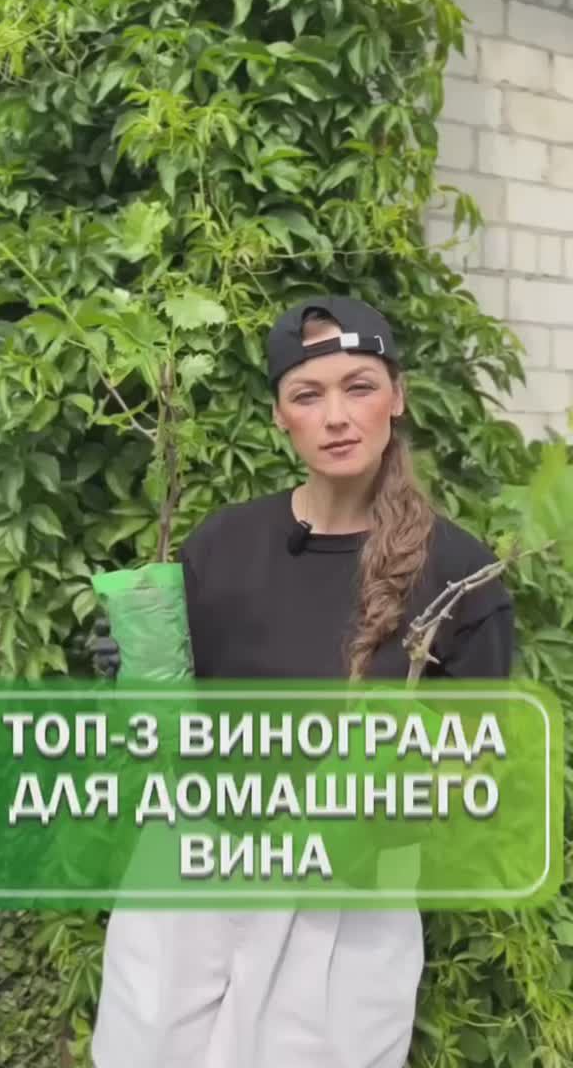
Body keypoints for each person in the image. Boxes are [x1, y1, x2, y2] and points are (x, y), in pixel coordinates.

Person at [91, 295, 513, 1068]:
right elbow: (180, 716)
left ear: (398, 396)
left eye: (360, 386)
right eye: (308, 395)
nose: (337, 417)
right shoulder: (224, 542)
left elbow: (470, 766)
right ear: (280, 415)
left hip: (344, 902)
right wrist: (132, 667)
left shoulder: (459, 575)